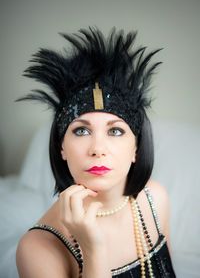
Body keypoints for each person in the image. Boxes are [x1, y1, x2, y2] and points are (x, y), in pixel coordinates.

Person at [16, 27, 176, 278]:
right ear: (62, 147)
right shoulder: (37, 248)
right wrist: (93, 248)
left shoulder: (155, 198)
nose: (98, 149)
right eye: (81, 131)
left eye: (115, 131)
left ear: (136, 148)